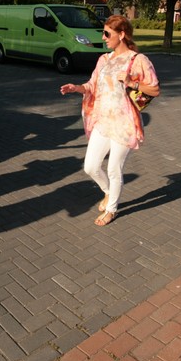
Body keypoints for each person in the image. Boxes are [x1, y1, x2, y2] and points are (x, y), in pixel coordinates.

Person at [60, 15, 159, 226]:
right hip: (103, 121)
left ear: (121, 35)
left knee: (114, 169)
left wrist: (132, 83)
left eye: (107, 33)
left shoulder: (138, 60)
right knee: (90, 166)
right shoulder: (104, 60)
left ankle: (112, 209)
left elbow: (154, 89)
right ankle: (107, 191)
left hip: (124, 124)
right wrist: (77, 88)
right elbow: (91, 85)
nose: (103, 37)